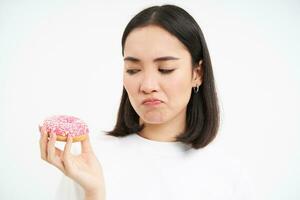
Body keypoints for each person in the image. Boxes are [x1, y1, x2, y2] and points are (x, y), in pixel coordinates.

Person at [39, 4, 255, 200]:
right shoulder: (91, 161)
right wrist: (94, 192)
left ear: (197, 73)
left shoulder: (228, 172)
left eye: (165, 69)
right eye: (133, 70)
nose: (147, 85)